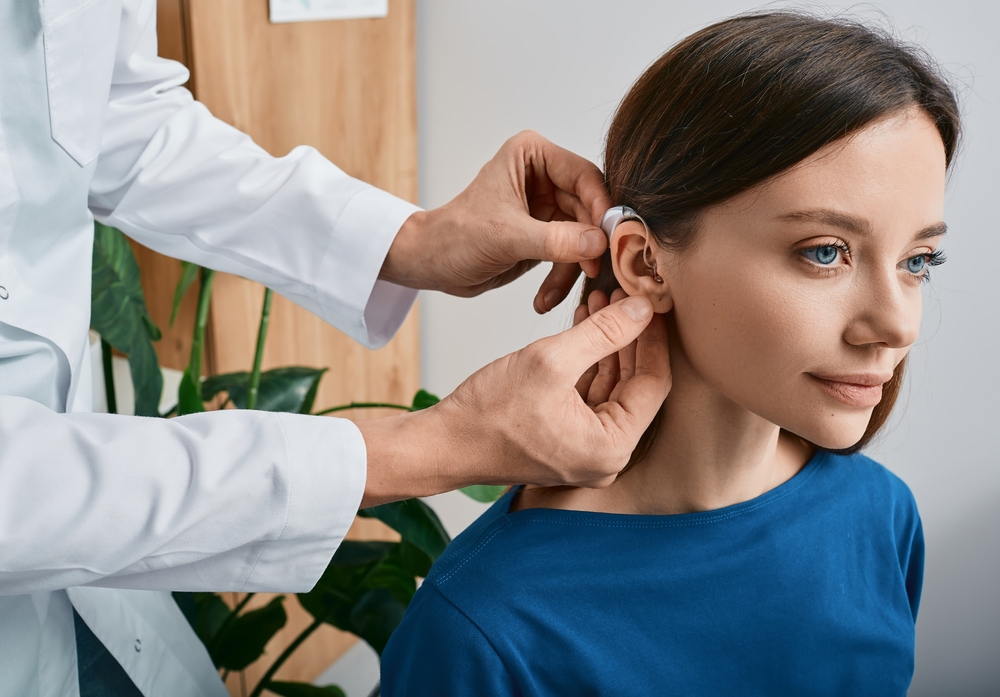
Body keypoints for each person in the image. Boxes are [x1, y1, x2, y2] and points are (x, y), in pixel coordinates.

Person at [0, 0, 672, 695]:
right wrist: (431, 445)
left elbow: (118, 114)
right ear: (638, 260)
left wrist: (413, 240)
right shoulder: (483, 626)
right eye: (800, 251)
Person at [381, 11, 959, 696]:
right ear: (645, 262)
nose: (897, 324)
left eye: (918, 260)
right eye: (824, 252)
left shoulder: (881, 517)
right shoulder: (485, 628)